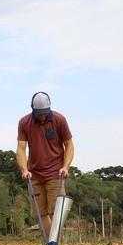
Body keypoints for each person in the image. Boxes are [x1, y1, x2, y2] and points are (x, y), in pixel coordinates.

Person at [16, 92, 74, 234]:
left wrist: (66, 167)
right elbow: (21, 149)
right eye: (39, 114)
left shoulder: (59, 120)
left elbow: (69, 145)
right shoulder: (24, 122)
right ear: (33, 110)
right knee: (41, 214)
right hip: (34, 175)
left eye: (44, 113)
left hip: (55, 174)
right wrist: (24, 170)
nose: (42, 116)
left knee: (57, 212)